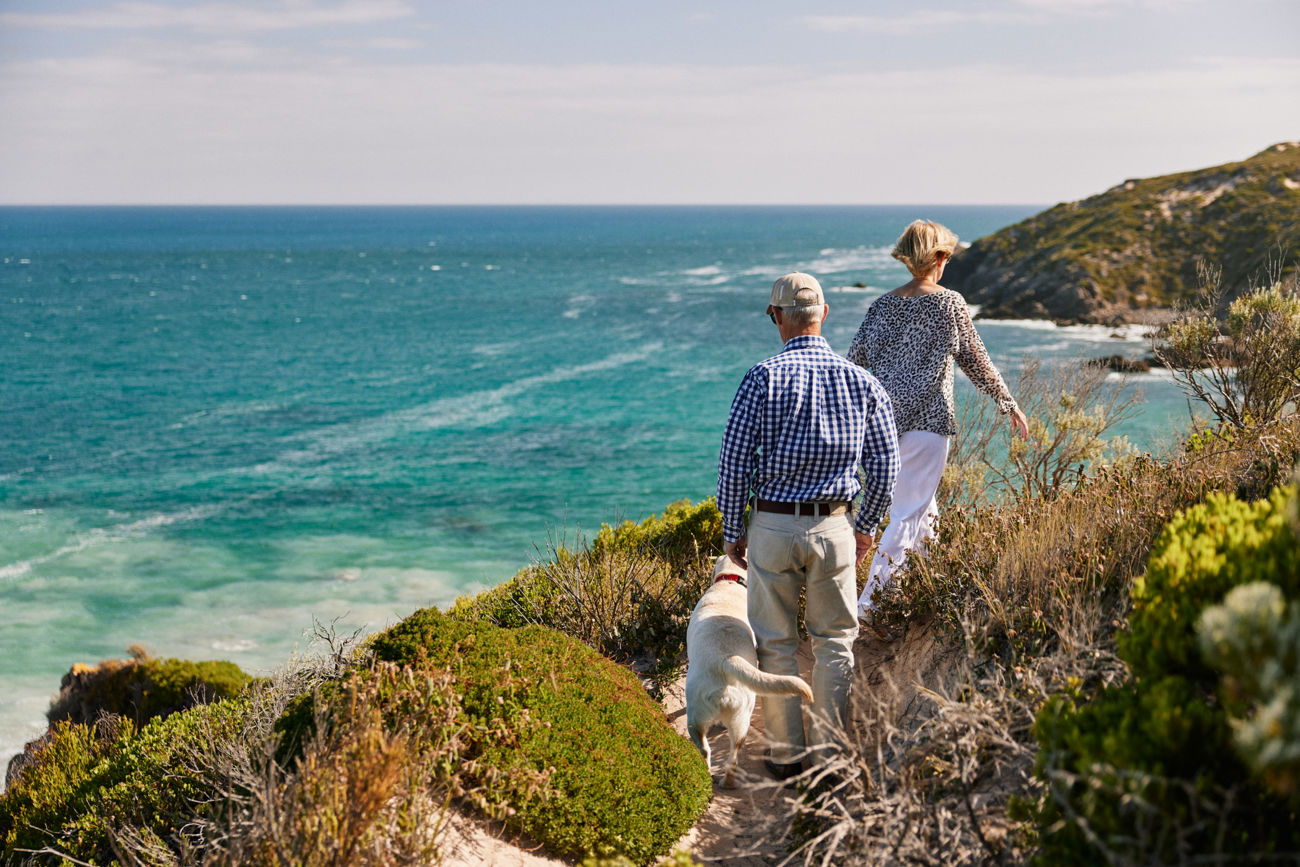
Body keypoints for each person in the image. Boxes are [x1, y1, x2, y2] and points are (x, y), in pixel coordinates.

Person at [717, 272, 900, 779]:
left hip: (772, 527)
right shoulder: (862, 381)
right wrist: (865, 525)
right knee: (834, 642)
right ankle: (833, 756)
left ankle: (786, 755)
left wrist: (734, 529)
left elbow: (733, 463)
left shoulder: (761, 377)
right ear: (825, 313)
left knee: (774, 643)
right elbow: (886, 464)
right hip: (835, 526)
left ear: (777, 317)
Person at [848, 220, 1030, 624]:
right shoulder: (949, 303)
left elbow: (853, 365)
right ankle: (867, 611)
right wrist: (1007, 402)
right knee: (908, 513)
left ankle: (927, 591)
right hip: (928, 426)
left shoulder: (881, 305)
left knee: (923, 512)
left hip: (880, 428)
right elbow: (975, 359)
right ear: (940, 258)